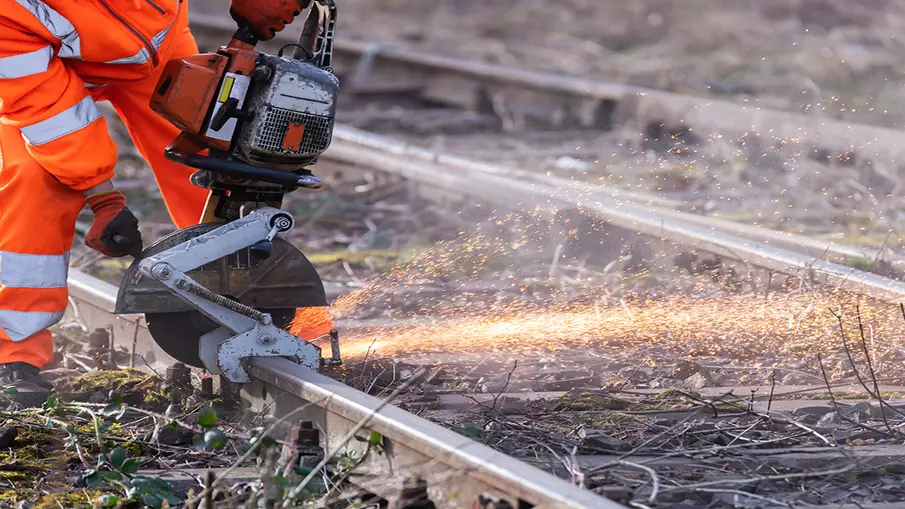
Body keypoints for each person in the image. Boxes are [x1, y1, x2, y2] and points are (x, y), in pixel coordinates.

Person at [0, 0, 326, 405]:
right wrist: (102, 195)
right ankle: (14, 355)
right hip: (31, 68)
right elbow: (46, 110)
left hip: (154, 42)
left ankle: (283, 312)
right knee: (36, 179)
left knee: (216, 154)